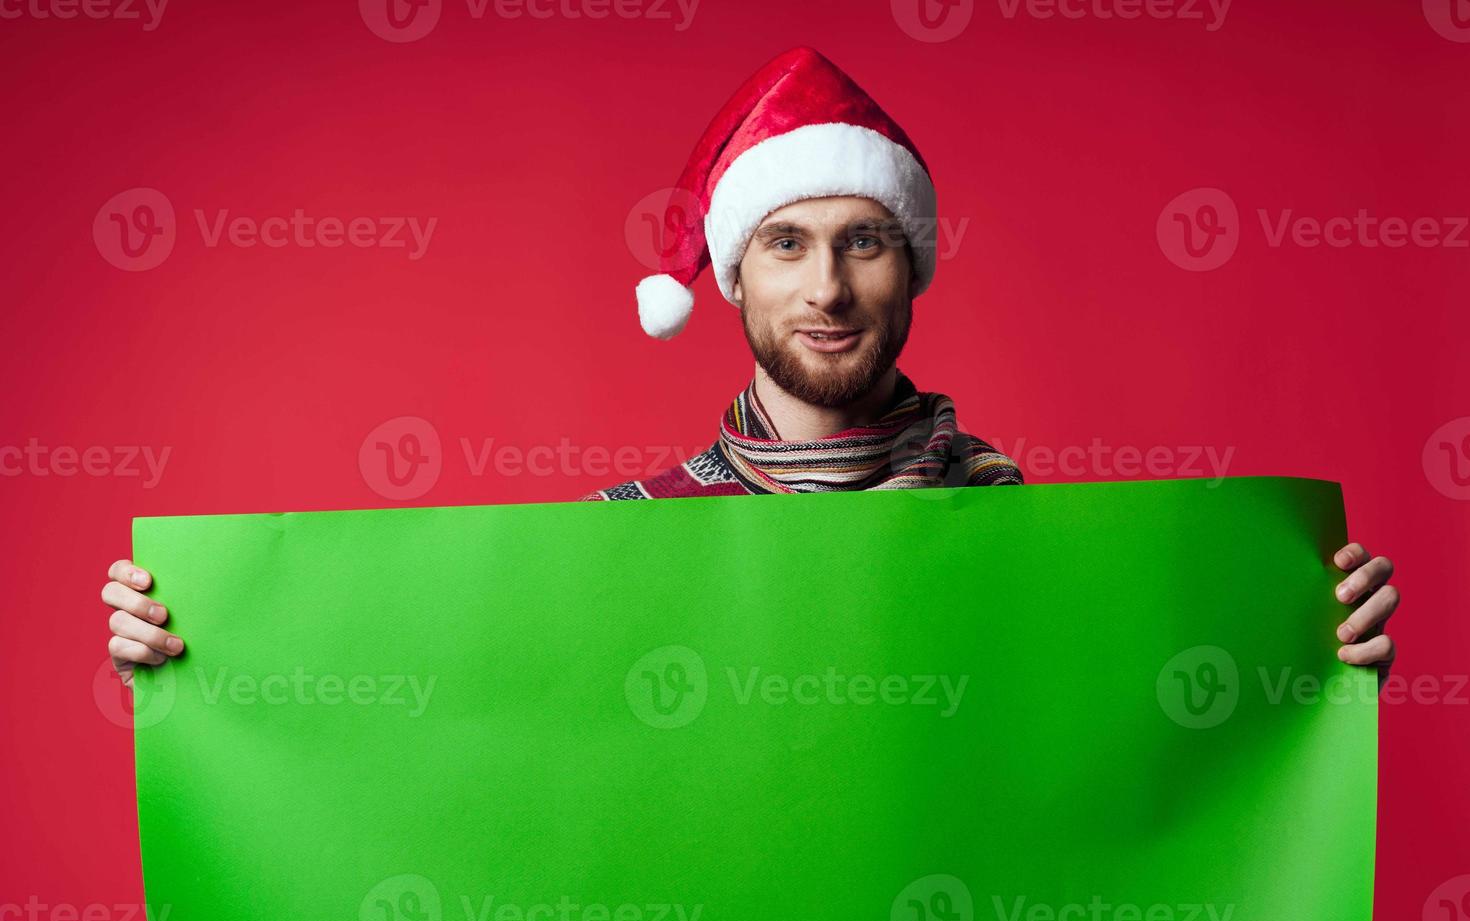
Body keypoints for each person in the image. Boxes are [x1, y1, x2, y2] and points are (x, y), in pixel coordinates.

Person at [100, 46, 1399, 686]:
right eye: (785, 244)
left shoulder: (1036, 534)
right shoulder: (627, 547)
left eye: (863, 244)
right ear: (730, 275)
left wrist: (1294, 656)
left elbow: (1132, 765)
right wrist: (215, 654)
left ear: (917, 267)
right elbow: (466, 718)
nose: (826, 288)